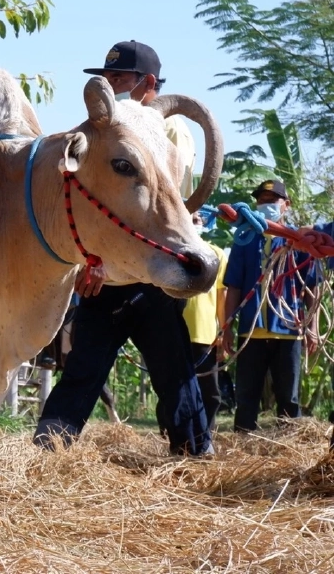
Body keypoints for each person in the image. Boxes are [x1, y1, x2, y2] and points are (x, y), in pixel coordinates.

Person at [34, 40, 212, 456]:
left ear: (148, 83)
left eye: (119, 78)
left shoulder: (165, 131)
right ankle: (48, 454)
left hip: (152, 273)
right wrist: (91, 259)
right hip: (107, 276)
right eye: (108, 78)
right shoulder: (106, 133)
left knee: (173, 371)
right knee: (83, 368)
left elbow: (161, 209)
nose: (111, 86)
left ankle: (194, 455)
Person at [222, 179, 318, 432]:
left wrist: (312, 327)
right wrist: (227, 327)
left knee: (289, 398)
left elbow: (311, 288)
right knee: (246, 396)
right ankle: (242, 445)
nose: (265, 205)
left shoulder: (298, 241)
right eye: (261, 201)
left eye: (272, 201)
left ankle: (289, 444)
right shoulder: (244, 239)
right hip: (251, 332)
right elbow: (234, 286)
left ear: (286, 205)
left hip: (289, 330)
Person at [173, 212, 228, 432]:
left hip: (206, 335)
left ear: (204, 223)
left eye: (196, 219)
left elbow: (222, 297)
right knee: (174, 388)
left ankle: (206, 437)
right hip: (174, 331)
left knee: (210, 393)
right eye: (188, 218)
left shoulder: (217, 254)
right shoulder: (170, 253)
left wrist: (223, 331)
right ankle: (172, 434)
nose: (193, 222)